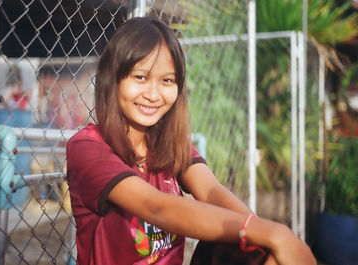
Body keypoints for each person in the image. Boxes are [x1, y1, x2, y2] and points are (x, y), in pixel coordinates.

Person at [66, 17, 317, 265]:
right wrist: (274, 233)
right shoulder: (88, 148)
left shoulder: (168, 143)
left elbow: (210, 190)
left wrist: (266, 239)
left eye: (167, 80)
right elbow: (155, 207)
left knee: (250, 247)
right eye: (140, 77)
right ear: (113, 79)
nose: (153, 95)